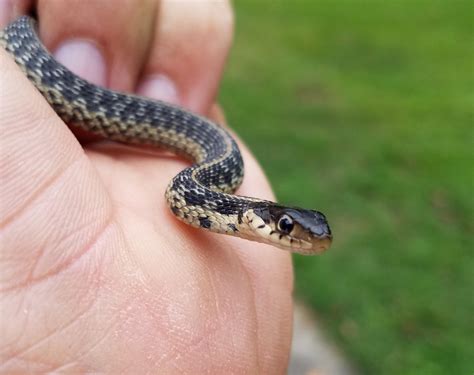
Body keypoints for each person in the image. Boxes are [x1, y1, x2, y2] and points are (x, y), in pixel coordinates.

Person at [0, 1, 293, 373]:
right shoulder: (199, 185)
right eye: (285, 227)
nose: (293, 237)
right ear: (259, 216)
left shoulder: (210, 177)